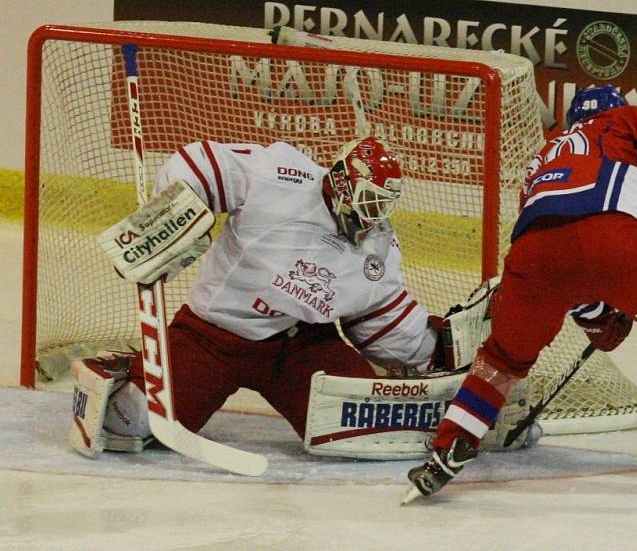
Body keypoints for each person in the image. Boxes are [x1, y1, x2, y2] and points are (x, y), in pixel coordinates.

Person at [403, 85, 637, 512]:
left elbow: (566, 258)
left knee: (502, 359)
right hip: (613, 241)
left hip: (532, 260)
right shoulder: (623, 122)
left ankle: (445, 453)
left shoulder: (544, 156)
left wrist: (597, 314)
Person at [71, 136, 448, 458]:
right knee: (129, 422)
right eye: (370, 199)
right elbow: (201, 164)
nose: (375, 214)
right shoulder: (279, 176)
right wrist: (170, 215)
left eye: (383, 204)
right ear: (343, 183)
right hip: (212, 338)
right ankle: (122, 371)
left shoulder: (378, 248)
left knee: (369, 428)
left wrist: (438, 354)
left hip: (301, 348)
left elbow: (382, 319)